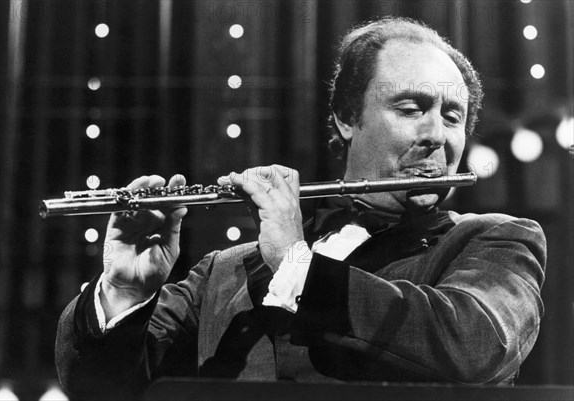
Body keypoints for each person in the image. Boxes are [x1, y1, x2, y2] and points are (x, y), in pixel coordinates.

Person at [55, 17, 545, 399]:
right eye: (411, 109)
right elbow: (99, 388)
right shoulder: (224, 272)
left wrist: (298, 265)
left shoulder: (495, 241)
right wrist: (123, 291)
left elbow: (476, 347)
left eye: (452, 116)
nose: (437, 135)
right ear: (348, 118)